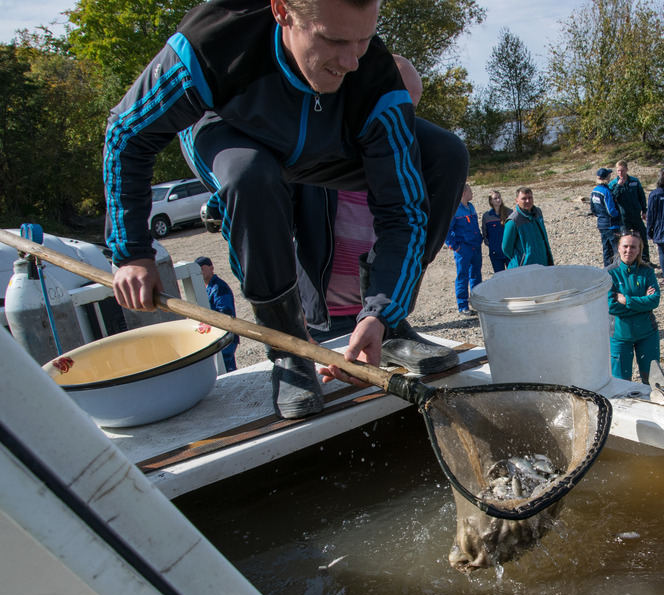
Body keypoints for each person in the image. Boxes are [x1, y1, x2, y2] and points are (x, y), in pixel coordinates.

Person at [103, 0, 468, 419]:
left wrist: (381, 311)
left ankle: (387, 326)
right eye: (333, 40)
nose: (350, 61)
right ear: (282, 12)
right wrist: (132, 252)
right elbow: (127, 134)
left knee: (443, 155)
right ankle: (288, 344)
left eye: (364, 40)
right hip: (231, 133)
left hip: (325, 143)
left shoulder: (373, 75)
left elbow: (403, 211)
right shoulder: (213, 42)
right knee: (251, 177)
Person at [290, 54, 460, 374]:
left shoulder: (408, 165)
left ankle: (391, 326)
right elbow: (270, 231)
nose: (403, 126)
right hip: (320, 321)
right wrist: (290, 324)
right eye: (397, 111)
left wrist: (387, 313)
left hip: (380, 316)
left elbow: (407, 232)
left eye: (412, 113)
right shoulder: (314, 156)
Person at [607, 231, 661, 384]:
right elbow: (611, 306)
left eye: (633, 247)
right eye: (625, 246)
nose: (628, 251)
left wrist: (626, 300)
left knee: (653, 381)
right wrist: (642, 302)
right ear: (618, 248)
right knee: (621, 383)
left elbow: (654, 300)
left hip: (647, 333)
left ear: (639, 250)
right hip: (620, 336)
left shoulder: (647, 271)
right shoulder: (609, 274)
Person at [195, 256, 239, 372]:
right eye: (197, 270)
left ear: (211, 268)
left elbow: (225, 313)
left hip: (225, 336)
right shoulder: (207, 288)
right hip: (219, 336)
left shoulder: (219, 287)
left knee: (225, 370)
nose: (200, 273)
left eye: (202, 269)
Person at [445, 183, 483, 316]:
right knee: (463, 276)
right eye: (470, 191)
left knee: (476, 274)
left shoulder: (471, 207)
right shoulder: (455, 210)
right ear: (463, 194)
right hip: (463, 249)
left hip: (475, 246)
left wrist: (479, 238)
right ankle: (462, 306)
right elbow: (446, 231)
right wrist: (455, 247)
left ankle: (477, 302)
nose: (472, 194)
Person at [502, 187, 554, 268]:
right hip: (524, 268)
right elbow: (506, 248)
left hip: (542, 263)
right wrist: (522, 258)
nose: (528, 201)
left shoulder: (537, 213)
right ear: (516, 201)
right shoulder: (513, 221)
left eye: (530, 198)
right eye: (524, 198)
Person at [609, 159, 649, 263]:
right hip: (623, 217)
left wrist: (644, 210)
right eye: (618, 171)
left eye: (622, 170)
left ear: (626, 169)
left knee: (642, 237)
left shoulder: (635, 182)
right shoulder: (613, 183)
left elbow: (641, 196)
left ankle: (644, 259)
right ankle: (624, 261)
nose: (620, 173)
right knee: (624, 239)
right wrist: (619, 186)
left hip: (636, 215)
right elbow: (612, 198)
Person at [590, 168, 622, 267]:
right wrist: (618, 214)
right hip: (611, 225)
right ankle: (618, 270)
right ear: (606, 177)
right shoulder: (606, 192)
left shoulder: (594, 191)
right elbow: (611, 211)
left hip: (601, 224)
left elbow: (593, 209)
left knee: (606, 249)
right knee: (617, 249)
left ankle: (607, 270)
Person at [481, 190, 512, 273]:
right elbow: (485, 233)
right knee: (499, 277)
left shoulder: (509, 212)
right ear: (491, 201)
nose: (498, 200)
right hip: (495, 253)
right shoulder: (487, 216)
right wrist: (491, 245)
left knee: (512, 276)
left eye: (499, 197)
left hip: (509, 252)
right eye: (495, 198)